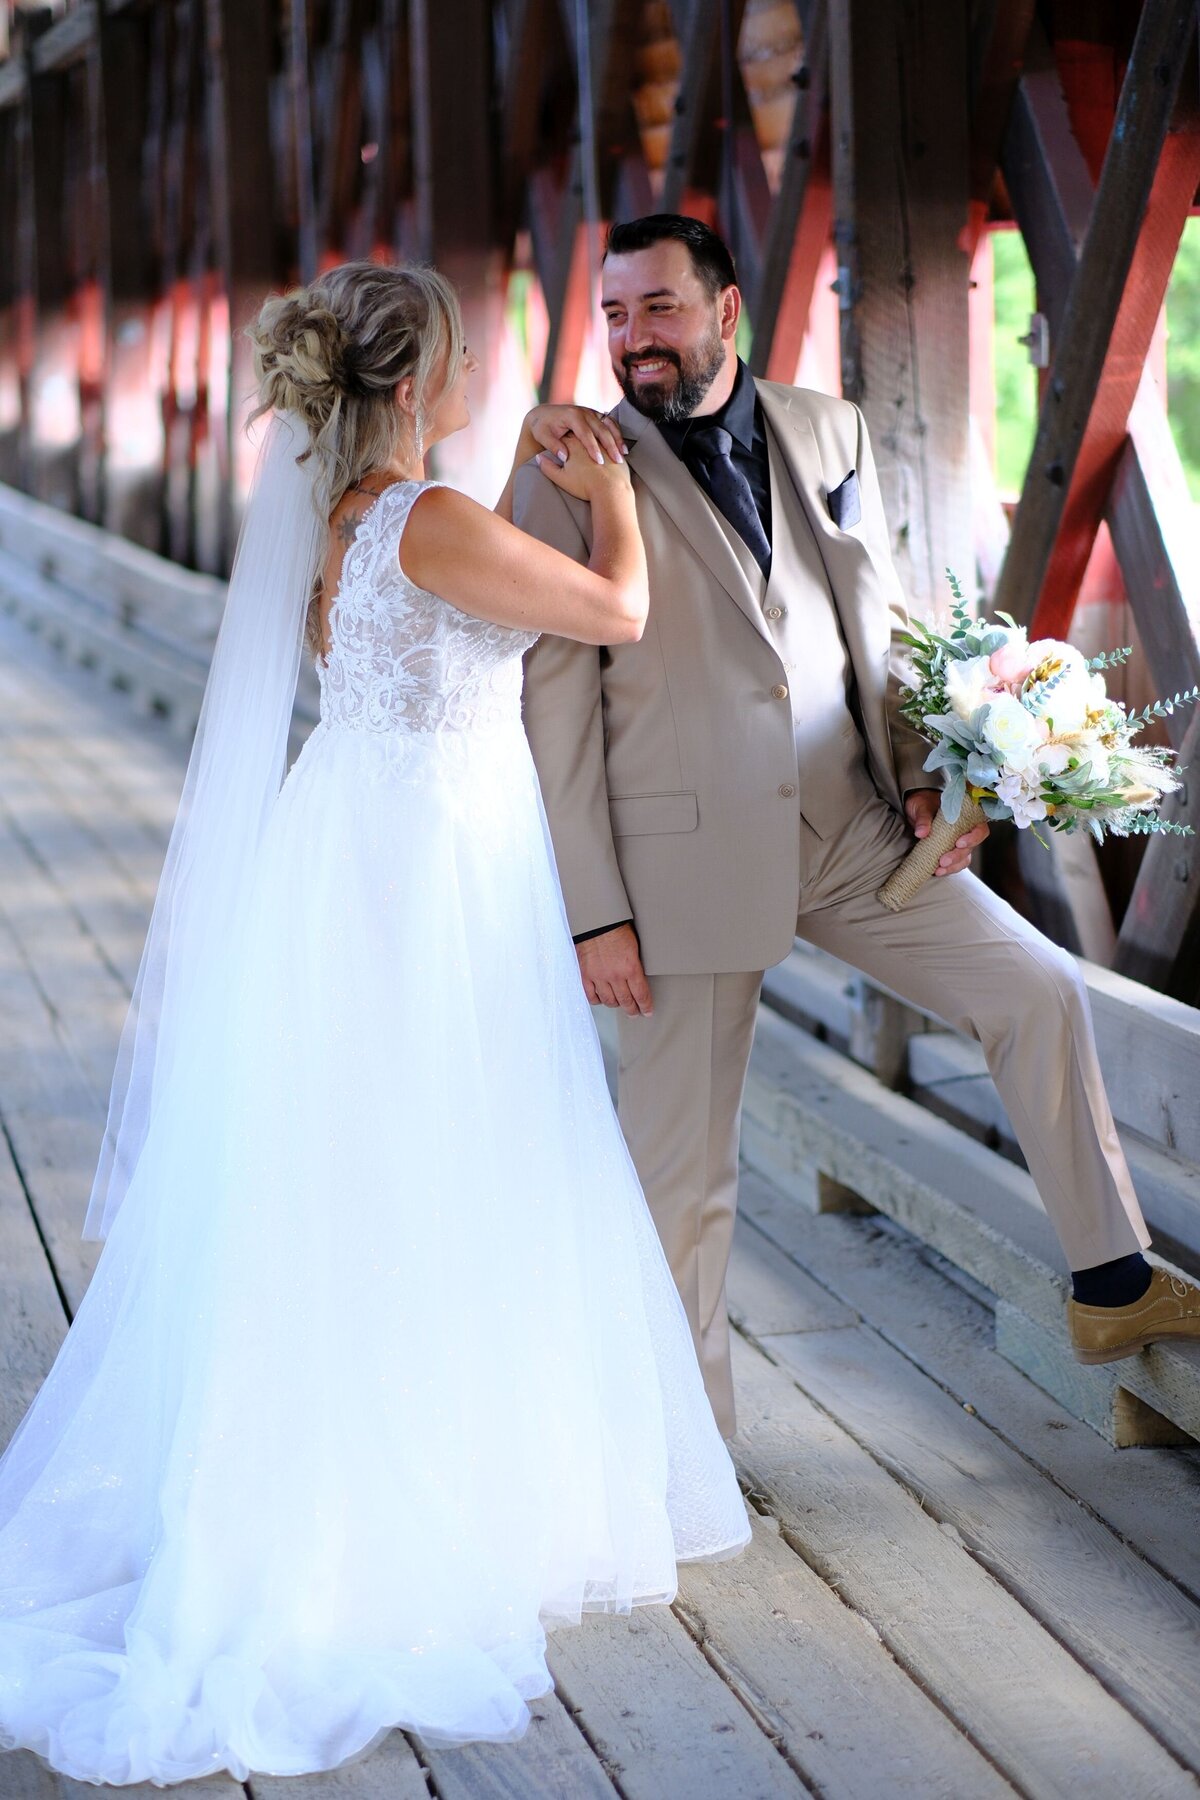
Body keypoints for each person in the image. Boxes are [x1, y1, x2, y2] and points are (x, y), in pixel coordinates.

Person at [0, 260, 748, 1788]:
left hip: (357, 839)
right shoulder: (429, 518)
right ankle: (416, 1490)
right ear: (412, 388)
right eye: (464, 358)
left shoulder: (342, 527)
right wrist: (609, 489)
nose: (480, 375)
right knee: (449, 1149)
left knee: (358, 1159)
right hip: (434, 865)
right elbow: (614, 611)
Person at [515, 213, 1200, 1440]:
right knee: (683, 1189)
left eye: (659, 309)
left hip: (852, 833)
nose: (633, 341)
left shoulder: (826, 428)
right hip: (677, 871)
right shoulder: (571, 465)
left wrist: (922, 777)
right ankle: (680, 1464)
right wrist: (595, 913)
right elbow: (552, 705)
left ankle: (1110, 1279)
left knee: (1036, 990)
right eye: (615, 315)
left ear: (726, 312)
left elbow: (871, 625)